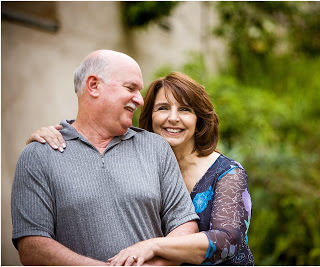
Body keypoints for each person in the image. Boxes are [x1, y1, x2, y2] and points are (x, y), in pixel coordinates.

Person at [27, 72, 254, 265]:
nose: (173, 118)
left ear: (199, 120)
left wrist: (153, 245)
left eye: (185, 110)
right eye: (163, 108)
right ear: (150, 116)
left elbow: (227, 240)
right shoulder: (138, 160)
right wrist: (45, 142)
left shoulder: (227, 173)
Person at [11, 50, 199, 266]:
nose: (140, 100)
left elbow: (185, 225)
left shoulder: (156, 148)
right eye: (130, 88)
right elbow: (33, 248)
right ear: (93, 85)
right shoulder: (39, 155)